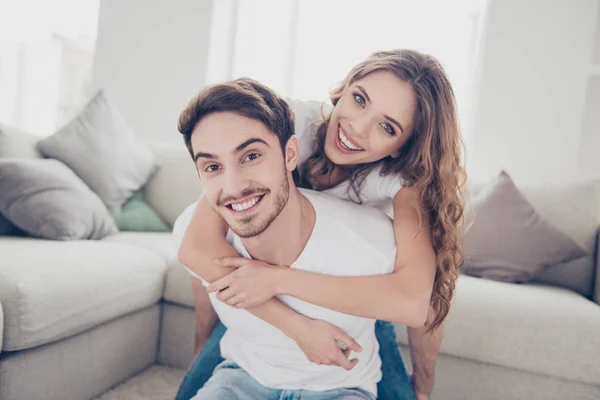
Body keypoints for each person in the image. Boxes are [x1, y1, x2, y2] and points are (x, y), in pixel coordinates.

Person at [177, 49, 467, 400]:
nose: (356, 129)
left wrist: (423, 385)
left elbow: (415, 301)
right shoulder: (289, 122)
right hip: (255, 289)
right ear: (344, 89)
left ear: (402, 146)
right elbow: (197, 247)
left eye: (387, 127)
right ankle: (206, 343)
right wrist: (297, 327)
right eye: (359, 99)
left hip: (351, 300)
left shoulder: (402, 183)